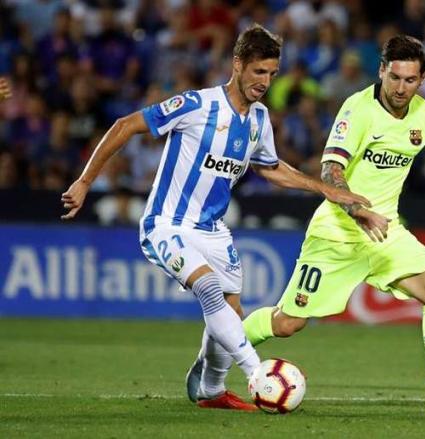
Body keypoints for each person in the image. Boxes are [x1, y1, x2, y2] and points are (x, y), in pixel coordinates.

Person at [60, 25, 372, 411]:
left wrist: (326, 189)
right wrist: (85, 181)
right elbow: (125, 126)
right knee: (208, 290)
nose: (265, 82)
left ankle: (210, 389)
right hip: (167, 224)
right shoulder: (196, 105)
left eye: (272, 74)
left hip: (213, 230)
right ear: (237, 64)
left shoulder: (259, 119)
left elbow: (270, 168)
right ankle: (260, 375)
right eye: (259, 72)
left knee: (231, 309)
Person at [241, 35, 425, 414]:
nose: (401, 88)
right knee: (287, 324)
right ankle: (219, 347)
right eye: (395, 78)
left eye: (410, 81)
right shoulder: (358, 111)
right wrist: (357, 209)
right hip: (337, 233)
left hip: (385, 231)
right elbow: (330, 169)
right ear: (382, 70)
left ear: (422, 79)